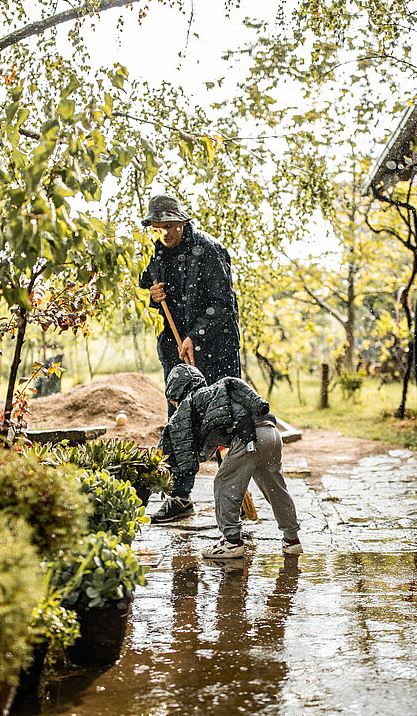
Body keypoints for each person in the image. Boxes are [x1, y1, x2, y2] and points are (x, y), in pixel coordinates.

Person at [139, 194, 243, 523]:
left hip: (215, 349)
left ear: (183, 222)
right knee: (181, 421)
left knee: (224, 420)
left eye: (170, 226)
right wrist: (155, 295)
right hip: (177, 350)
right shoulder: (158, 250)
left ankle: (235, 492)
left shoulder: (209, 251)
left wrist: (194, 337)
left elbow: (222, 305)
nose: (165, 233)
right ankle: (181, 497)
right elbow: (152, 283)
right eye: (158, 228)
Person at [159, 364, 302, 559]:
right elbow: (212, 439)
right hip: (271, 432)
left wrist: (184, 466)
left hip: (248, 438)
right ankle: (292, 539)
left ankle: (232, 542)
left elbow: (180, 437)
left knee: (224, 484)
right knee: (275, 488)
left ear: (177, 392)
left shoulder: (188, 404)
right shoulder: (215, 394)